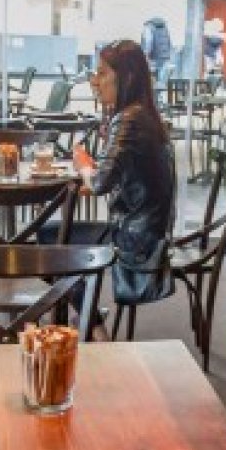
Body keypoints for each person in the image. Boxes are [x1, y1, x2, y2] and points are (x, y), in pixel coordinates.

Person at [66, 40, 176, 307]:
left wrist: (82, 164)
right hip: (148, 230)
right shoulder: (143, 114)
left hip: (136, 239)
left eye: (102, 73)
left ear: (126, 78)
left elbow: (99, 183)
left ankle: (91, 323)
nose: (95, 81)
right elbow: (123, 177)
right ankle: (85, 318)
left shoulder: (129, 118)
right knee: (59, 237)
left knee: (52, 242)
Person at [140, 17, 174, 83]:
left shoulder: (148, 28)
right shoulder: (164, 28)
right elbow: (169, 44)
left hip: (153, 60)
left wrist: (145, 57)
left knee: (153, 82)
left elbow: (147, 45)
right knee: (162, 82)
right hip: (165, 59)